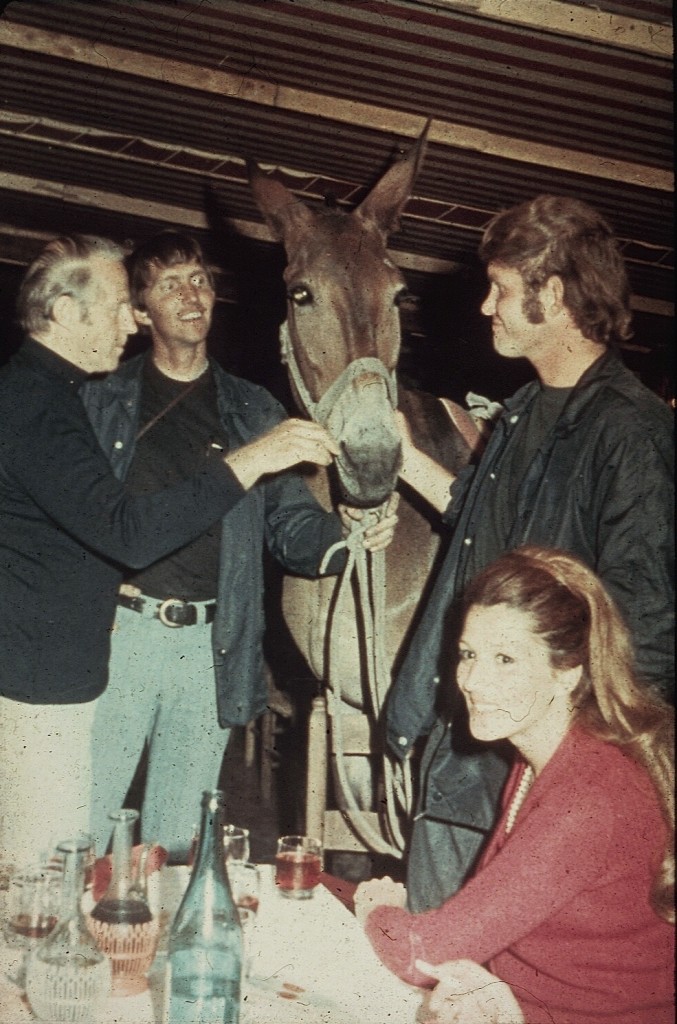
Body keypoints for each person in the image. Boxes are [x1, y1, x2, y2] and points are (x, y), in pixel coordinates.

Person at [0, 233, 393, 871]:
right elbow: (114, 526)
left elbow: (290, 521)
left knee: (176, 844)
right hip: (113, 636)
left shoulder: (252, 407)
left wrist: (344, 539)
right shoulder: (93, 397)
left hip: (207, 644)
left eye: (200, 280)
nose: (191, 296)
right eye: (164, 287)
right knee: (74, 835)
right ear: (144, 308)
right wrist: (255, 458)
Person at [385, 194, 674, 912]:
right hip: (468, 748)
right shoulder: (520, 411)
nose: (487, 306)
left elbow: (648, 622)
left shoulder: (629, 431)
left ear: (553, 295)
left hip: (548, 765)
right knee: (432, 953)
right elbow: (479, 525)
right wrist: (402, 456)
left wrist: (573, 755)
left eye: (503, 290)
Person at [356, 546, 675, 1024]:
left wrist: (377, 910)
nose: (473, 680)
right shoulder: (542, 758)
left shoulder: (591, 796)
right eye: (468, 654)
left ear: (568, 671)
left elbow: (419, 954)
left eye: (505, 658)